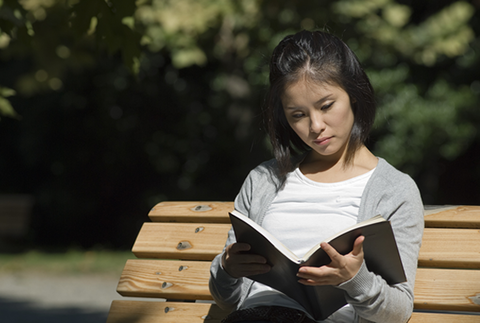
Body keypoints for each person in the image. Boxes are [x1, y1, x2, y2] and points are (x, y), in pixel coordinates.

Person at [209, 30, 424, 323]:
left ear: (354, 95)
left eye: (326, 106)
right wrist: (228, 268)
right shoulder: (264, 180)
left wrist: (355, 280)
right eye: (297, 114)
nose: (316, 126)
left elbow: (399, 311)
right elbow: (226, 297)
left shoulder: (394, 190)